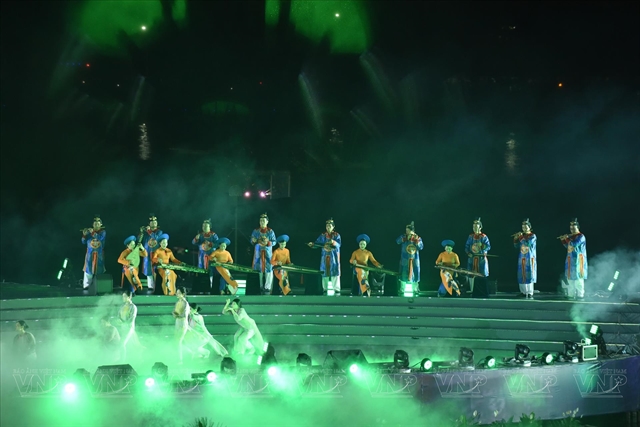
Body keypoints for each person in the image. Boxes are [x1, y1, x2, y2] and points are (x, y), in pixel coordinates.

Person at [307, 218, 342, 295]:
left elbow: (339, 245)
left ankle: (336, 288)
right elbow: (317, 244)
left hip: (334, 256)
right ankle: (325, 288)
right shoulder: (323, 235)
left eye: (330, 226)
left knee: (335, 271)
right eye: (327, 226)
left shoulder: (337, 235)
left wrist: (333, 242)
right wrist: (312, 244)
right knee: (324, 271)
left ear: (333, 227)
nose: (328, 227)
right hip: (325, 256)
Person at [560, 218, 588, 299]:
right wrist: (563, 241)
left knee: (578, 278)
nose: (572, 229)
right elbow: (568, 246)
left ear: (578, 227)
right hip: (570, 259)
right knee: (570, 278)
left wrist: (567, 238)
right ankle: (571, 294)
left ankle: (580, 295)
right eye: (571, 228)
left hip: (578, 260)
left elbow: (574, 244)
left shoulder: (581, 236)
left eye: (573, 228)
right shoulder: (572, 236)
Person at [251, 213, 277, 295]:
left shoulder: (270, 231)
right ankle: (260, 286)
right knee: (259, 270)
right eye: (261, 220)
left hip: (267, 254)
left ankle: (267, 287)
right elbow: (252, 240)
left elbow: (274, 241)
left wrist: (268, 243)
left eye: (263, 220)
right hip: (258, 253)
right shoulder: (256, 231)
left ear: (267, 222)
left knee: (268, 270)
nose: (262, 222)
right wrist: (254, 241)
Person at [396, 221, 424, 295]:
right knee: (403, 272)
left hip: (414, 259)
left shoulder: (417, 237)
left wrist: (416, 241)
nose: (407, 231)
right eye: (406, 230)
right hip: (405, 258)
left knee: (415, 272)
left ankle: (415, 289)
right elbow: (397, 241)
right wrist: (404, 239)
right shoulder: (404, 236)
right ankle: (402, 288)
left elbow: (421, 247)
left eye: (408, 230)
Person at [465, 217, 491, 294]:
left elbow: (488, 246)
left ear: (480, 227)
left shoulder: (484, 237)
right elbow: (466, 246)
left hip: (481, 258)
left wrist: (482, 246)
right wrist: (468, 253)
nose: (474, 228)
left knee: (481, 274)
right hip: (472, 258)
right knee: (471, 273)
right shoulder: (470, 237)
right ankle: (472, 289)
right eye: (473, 227)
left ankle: (482, 290)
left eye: (476, 226)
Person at [81, 215, 106, 290]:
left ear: (101, 224)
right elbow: (83, 242)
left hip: (99, 254)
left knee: (99, 269)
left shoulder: (103, 232)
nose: (96, 223)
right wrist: (84, 235)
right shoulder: (89, 232)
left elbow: (100, 238)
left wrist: (93, 232)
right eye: (95, 222)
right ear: (92, 224)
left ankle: (100, 286)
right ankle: (86, 286)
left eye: (98, 222)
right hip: (90, 254)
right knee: (88, 269)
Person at [513, 218, 537, 299]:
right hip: (522, 257)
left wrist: (520, 237)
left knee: (529, 274)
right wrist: (515, 239)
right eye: (523, 227)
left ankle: (530, 292)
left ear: (529, 227)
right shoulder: (522, 236)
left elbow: (528, 243)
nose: (524, 229)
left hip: (529, 257)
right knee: (521, 274)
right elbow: (516, 246)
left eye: (526, 227)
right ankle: (523, 292)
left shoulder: (532, 236)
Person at [192, 219, 219, 288]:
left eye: (206, 226)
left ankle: (211, 286)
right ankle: (201, 286)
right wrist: (196, 238)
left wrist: (210, 244)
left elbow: (218, 244)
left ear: (210, 227)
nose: (204, 227)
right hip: (201, 255)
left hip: (211, 255)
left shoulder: (213, 235)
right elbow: (194, 243)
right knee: (201, 268)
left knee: (211, 269)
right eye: (203, 226)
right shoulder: (200, 235)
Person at [140, 214, 163, 292]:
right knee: (148, 270)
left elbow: (155, 238)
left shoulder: (159, 232)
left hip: (156, 253)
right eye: (152, 222)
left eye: (155, 222)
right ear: (149, 223)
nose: (153, 223)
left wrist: (149, 231)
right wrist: (141, 232)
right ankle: (150, 286)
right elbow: (139, 240)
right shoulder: (146, 233)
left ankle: (157, 287)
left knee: (157, 269)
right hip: (147, 253)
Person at [118, 291, 142, 360]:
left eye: (125, 296)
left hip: (128, 328)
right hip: (122, 328)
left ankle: (122, 360)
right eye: (123, 296)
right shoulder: (122, 306)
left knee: (122, 344)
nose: (123, 298)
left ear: (129, 297)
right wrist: (119, 321)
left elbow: (131, 319)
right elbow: (118, 315)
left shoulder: (133, 307)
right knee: (130, 345)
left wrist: (123, 322)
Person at [173, 287, 191, 364]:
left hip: (182, 322)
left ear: (183, 294)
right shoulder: (178, 302)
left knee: (179, 341)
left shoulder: (185, 303)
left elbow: (184, 315)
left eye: (179, 293)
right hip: (178, 322)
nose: (177, 294)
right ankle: (189, 353)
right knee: (178, 341)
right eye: (177, 292)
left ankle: (180, 360)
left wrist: (176, 315)